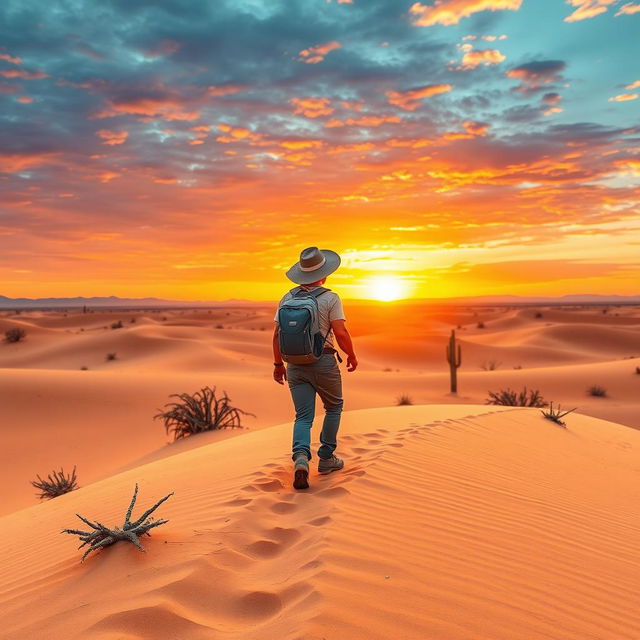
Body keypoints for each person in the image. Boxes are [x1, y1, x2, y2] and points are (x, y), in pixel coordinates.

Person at [272, 246, 358, 490]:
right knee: (334, 407)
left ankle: (300, 458)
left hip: (294, 365)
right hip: (323, 362)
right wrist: (351, 354)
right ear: (325, 273)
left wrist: (279, 365)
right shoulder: (330, 298)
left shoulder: (287, 298)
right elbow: (340, 331)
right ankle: (327, 458)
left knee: (303, 416)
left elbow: (277, 335)